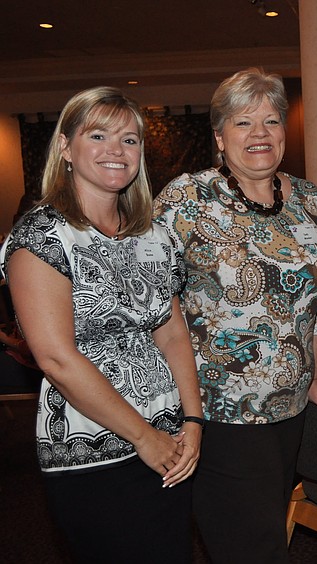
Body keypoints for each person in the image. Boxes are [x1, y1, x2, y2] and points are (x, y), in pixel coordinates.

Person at [154, 68, 317, 564]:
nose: (259, 134)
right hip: (219, 411)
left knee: (260, 533)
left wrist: (313, 374)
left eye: (270, 120)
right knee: (254, 547)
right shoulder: (185, 199)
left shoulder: (307, 198)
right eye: (243, 123)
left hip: (289, 410)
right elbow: (153, 301)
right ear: (220, 137)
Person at [0, 86, 202, 563]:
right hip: (96, 452)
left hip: (171, 442)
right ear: (66, 148)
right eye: (99, 135)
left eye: (130, 140)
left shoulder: (153, 234)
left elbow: (172, 332)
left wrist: (193, 420)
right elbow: (55, 357)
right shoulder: (42, 234)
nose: (117, 150)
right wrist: (143, 436)